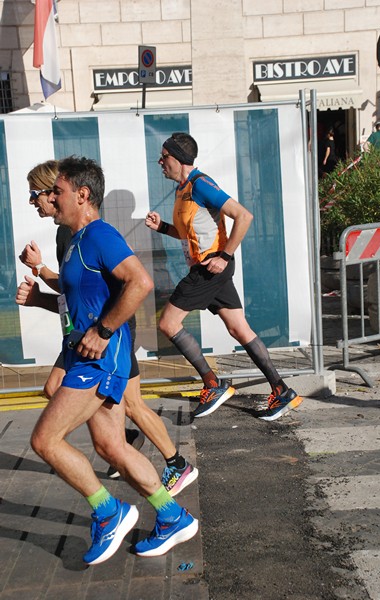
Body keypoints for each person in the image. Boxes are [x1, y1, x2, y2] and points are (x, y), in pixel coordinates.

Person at [15, 156, 198, 564]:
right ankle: (172, 516)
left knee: (45, 440)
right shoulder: (76, 241)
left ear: (82, 194)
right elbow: (80, 301)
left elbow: (140, 282)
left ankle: (108, 510)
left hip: (99, 360)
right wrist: (41, 297)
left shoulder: (99, 234)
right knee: (111, 445)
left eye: (55, 192)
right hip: (87, 356)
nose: (49, 200)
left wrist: (103, 331)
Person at [145, 132, 302, 421]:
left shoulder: (201, 184)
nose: (160, 162)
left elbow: (244, 216)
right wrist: (163, 227)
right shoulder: (183, 189)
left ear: (178, 158)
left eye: (164, 156)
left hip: (209, 269)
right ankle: (281, 391)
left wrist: (225, 255)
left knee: (168, 323)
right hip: (208, 268)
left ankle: (213, 385)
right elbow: (188, 232)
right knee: (239, 329)